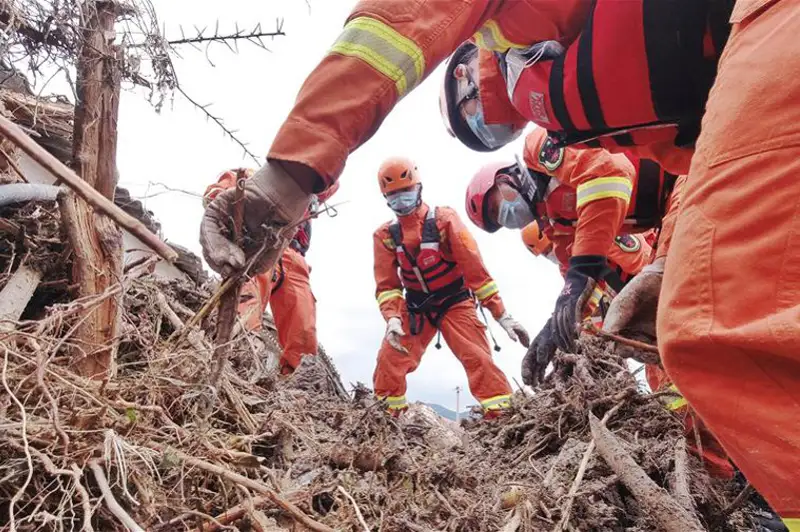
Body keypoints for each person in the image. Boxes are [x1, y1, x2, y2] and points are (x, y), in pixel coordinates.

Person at [197, 2, 800, 525]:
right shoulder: (402, 229)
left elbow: (393, 30)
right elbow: (694, 173)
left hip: (757, 52)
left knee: (716, 325)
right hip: (733, 90)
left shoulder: (543, 146)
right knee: (705, 323)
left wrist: (292, 170)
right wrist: (664, 264)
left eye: (505, 206)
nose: (513, 216)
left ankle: (727, 479)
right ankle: (378, 421)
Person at [372, 157, 528, 417]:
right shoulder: (385, 235)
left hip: (454, 301)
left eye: (406, 191)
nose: (401, 198)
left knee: (478, 359)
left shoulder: (444, 220)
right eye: (394, 194)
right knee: (390, 360)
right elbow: (387, 285)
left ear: (418, 188)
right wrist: (392, 319)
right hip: (416, 307)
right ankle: (384, 423)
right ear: (385, 197)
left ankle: (505, 421)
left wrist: (501, 314)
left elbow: (475, 269)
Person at [203, 170, 337, 375]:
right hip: (260, 246)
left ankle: (298, 384)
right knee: (245, 304)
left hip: (294, 257)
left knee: (303, 330)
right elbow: (219, 190)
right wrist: (221, 200)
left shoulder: (310, 198)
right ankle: (238, 366)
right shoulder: (257, 175)